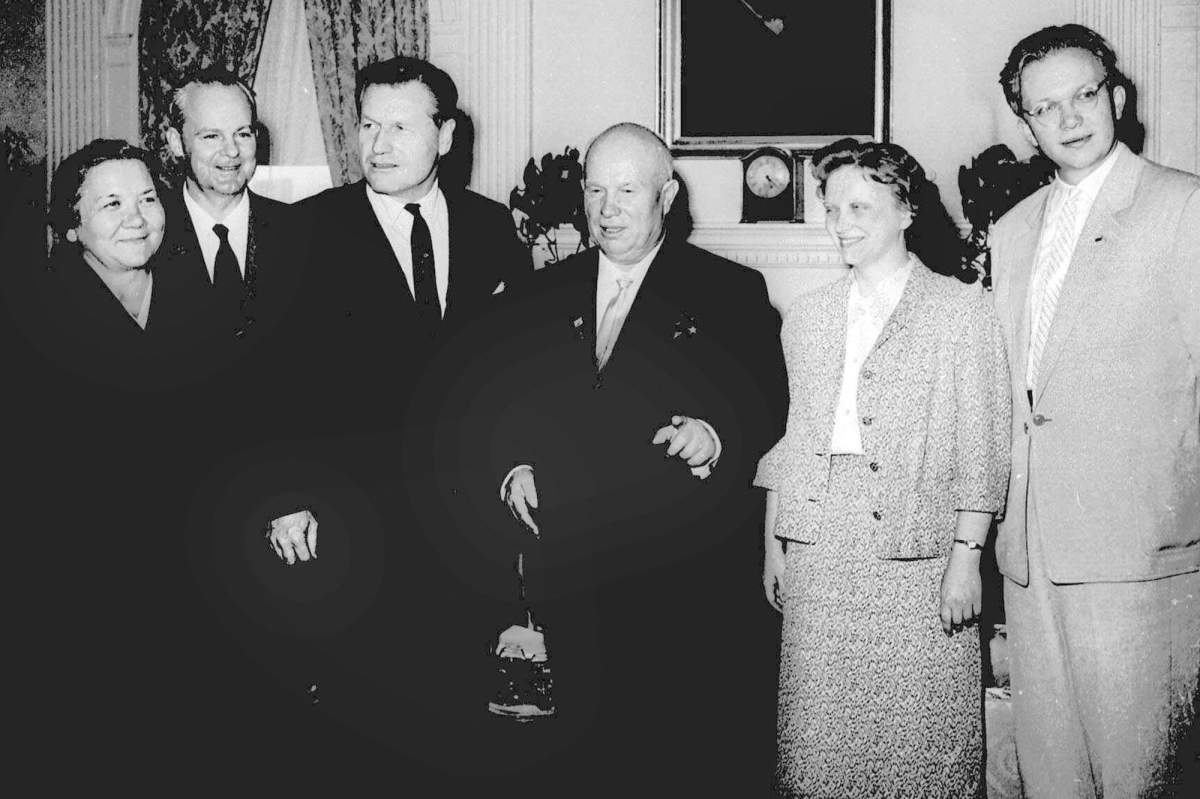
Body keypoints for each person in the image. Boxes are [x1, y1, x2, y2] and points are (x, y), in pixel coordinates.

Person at [472, 122, 788, 794]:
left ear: (666, 195)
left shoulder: (729, 290)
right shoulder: (539, 291)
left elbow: (766, 400)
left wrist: (717, 433)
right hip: (572, 565)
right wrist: (513, 464)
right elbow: (498, 400)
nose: (606, 207)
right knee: (580, 754)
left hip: (679, 574)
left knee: (672, 751)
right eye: (594, 189)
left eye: (625, 190)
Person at [755, 139, 1010, 798]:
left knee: (921, 743)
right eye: (833, 207)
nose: (843, 222)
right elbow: (796, 433)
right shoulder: (806, 317)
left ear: (905, 209)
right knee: (820, 744)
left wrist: (966, 555)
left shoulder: (960, 309)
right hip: (819, 543)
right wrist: (774, 541)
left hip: (918, 552)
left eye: (860, 205)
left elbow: (982, 445)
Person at [991, 24, 1200, 797]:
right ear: (1027, 124)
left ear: (1116, 96)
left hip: (1137, 548)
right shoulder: (1012, 231)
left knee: (1141, 777)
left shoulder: (1183, 208)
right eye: (1046, 108)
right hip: (1032, 549)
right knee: (1053, 778)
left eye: (1084, 95)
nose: (1070, 118)